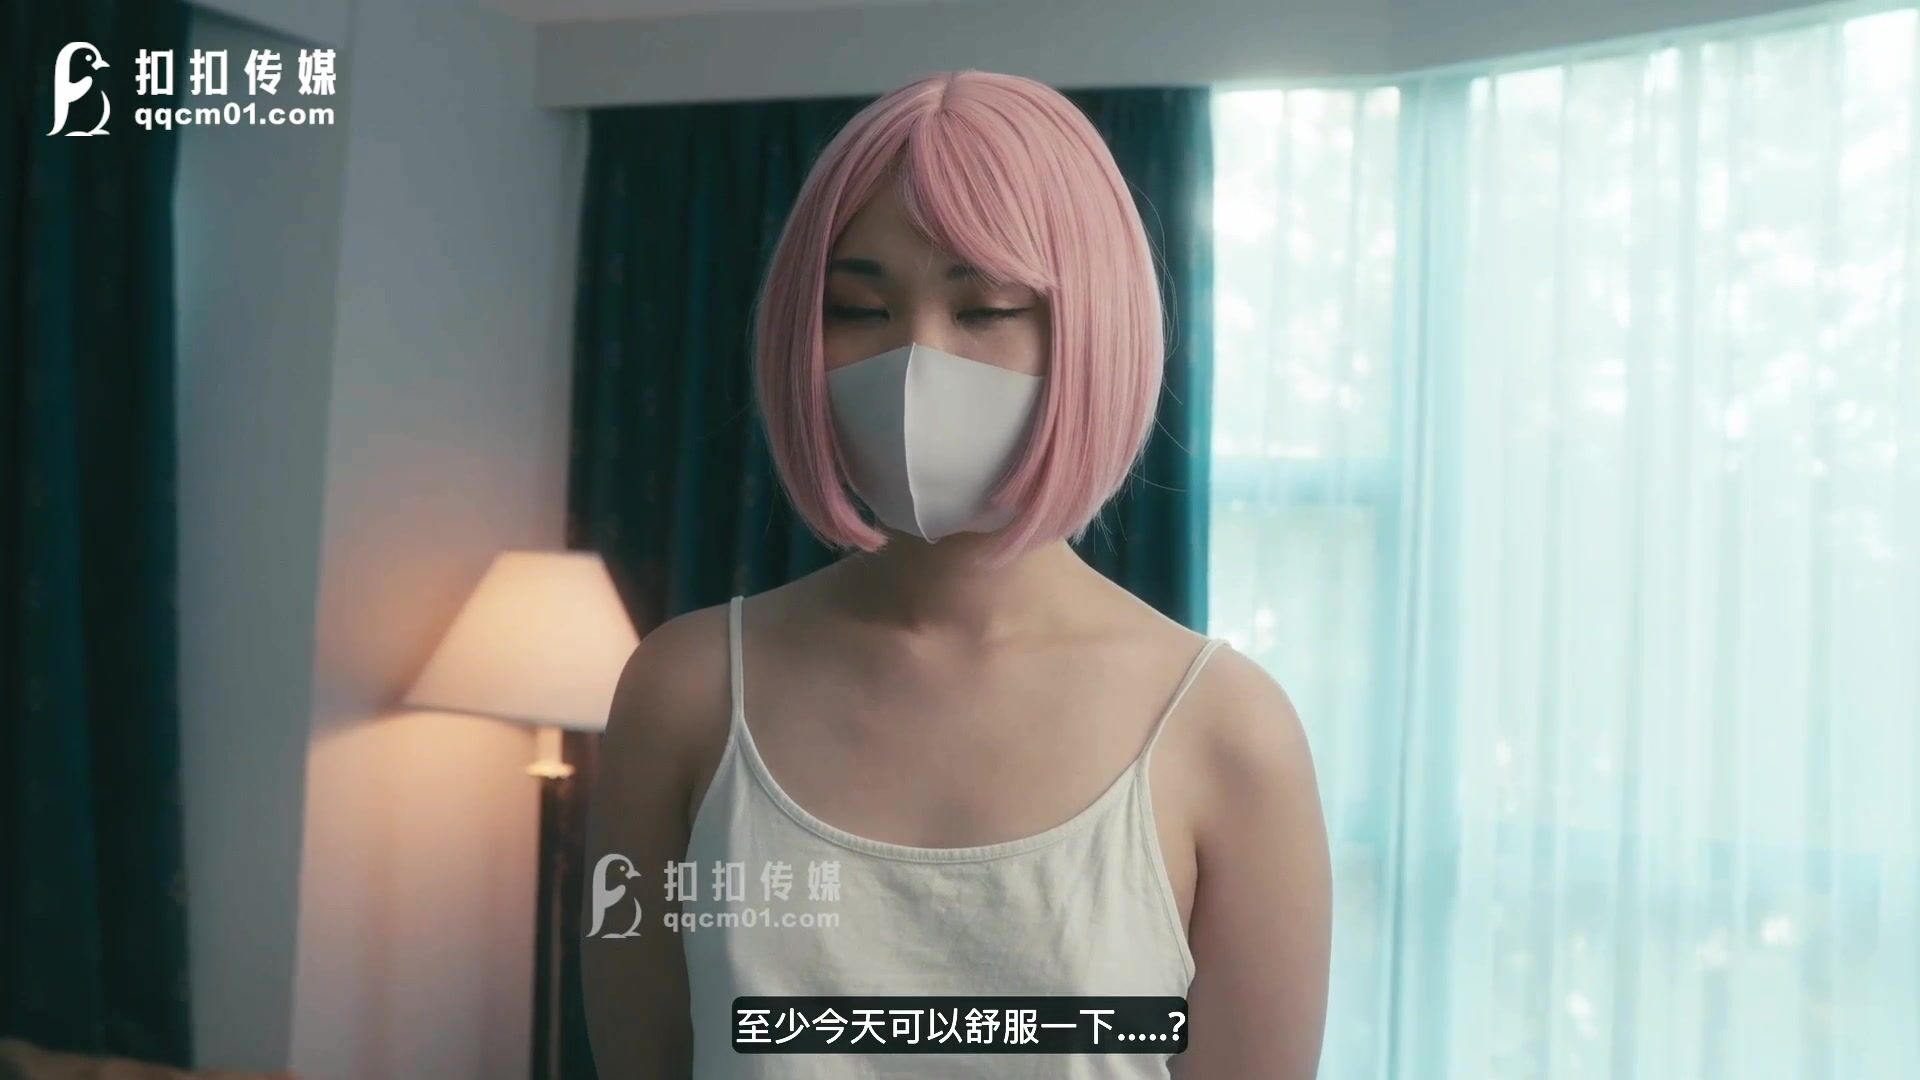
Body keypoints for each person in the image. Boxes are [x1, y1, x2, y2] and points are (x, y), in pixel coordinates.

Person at [582, 69, 1331, 1079]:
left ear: (1092, 335)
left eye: (984, 308)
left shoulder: (1228, 731)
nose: (914, 360)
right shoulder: (682, 691)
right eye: (858, 307)